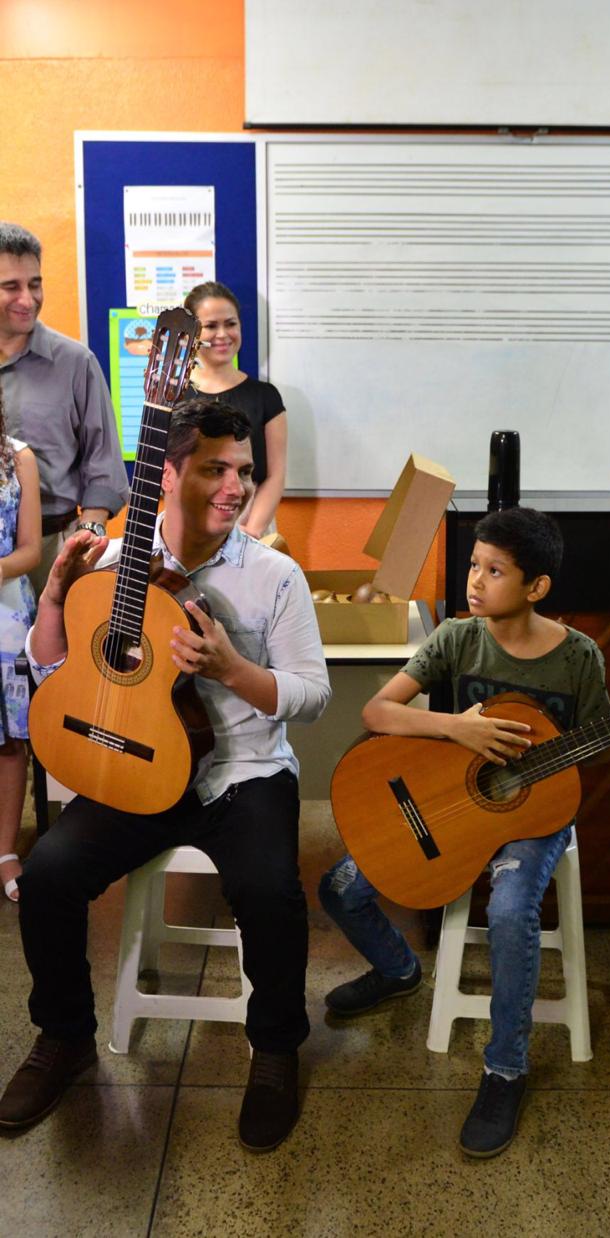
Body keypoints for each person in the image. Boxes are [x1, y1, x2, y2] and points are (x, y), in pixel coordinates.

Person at [0, 397, 331, 1151]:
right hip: (138, 768)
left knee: (271, 891)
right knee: (47, 875)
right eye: (215, 469)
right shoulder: (115, 566)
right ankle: (64, 1038)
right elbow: (55, 669)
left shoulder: (275, 575)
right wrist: (55, 593)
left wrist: (234, 669)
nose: (236, 487)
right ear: (166, 472)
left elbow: (312, 696)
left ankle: (275, 1050)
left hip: (242, 773)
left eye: (244, 471)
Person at [319, 506, 610, 1158]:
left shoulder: (578, 658)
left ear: (536, 587)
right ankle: (398, 970)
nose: (476, 581)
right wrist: (457, 728)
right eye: (473, 566)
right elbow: (379, 710)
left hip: (533, 816)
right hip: (446, 802)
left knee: (513, 909)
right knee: (340, 885)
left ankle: (505, 1067)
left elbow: (586, 746)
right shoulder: (458, 639)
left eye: (494, 570)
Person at [0, 222, 128, 594]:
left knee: (54, 653)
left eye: (35, 283)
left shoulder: (76, 362)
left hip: (53, 544)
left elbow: (105, 465)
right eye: (11, 287)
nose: (28, 299)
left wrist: (89, 530)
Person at [183, 281, 287, 538]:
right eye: (210, 326)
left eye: (230, 324)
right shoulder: (172, 396)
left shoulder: (265, 397)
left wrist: (250, 532)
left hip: (253, 527)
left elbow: (275, 475)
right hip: (192, 529)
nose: (222, 334)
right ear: (191, 332)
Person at [0, 383, 41, 901]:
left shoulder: (18, 458)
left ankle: (5, 851)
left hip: (7, 615)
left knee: (10, 741)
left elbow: (31, 549)